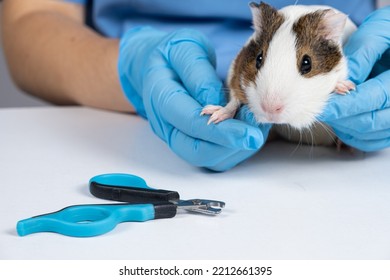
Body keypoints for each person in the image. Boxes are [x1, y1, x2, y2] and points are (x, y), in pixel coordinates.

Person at [2, 0, 389, 171]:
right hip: (119, 122)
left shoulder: (333, 47)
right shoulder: (246, 66)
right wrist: (131, 66)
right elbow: (29, 19)